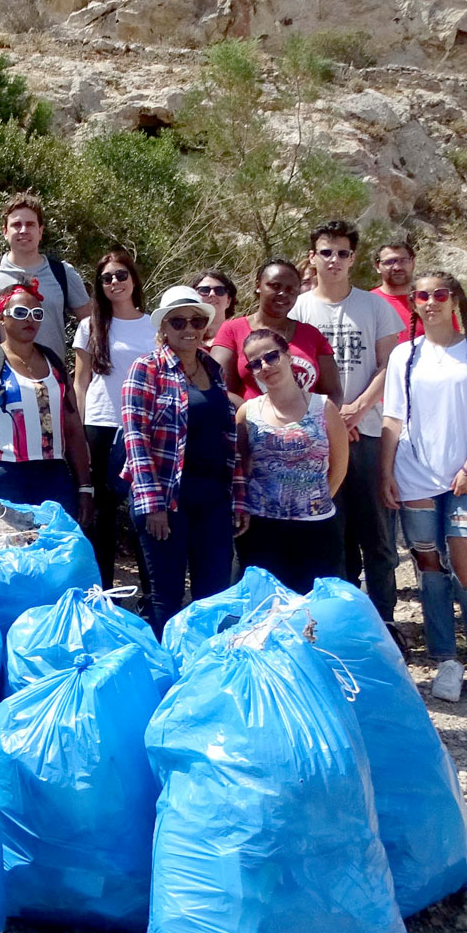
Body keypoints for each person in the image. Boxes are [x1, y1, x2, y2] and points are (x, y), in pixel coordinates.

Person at [381, 272, 467, 704]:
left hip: (466, 479)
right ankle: (446, 661)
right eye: (422, 295)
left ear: (454, 299)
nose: (431, 301)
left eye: (440, 294)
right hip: (415, 474)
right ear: (414, 303)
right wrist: (386, 472)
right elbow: (393, 420)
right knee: (429, 570)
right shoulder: (405, 355)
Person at [293, 219, 404, 622]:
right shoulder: (299, 308)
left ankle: (384, 620)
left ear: (353, 258)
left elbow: (390, 364)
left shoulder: (376, 306)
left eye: (342, 253)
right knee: (330, 532)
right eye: (326, 252)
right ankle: (339, 621)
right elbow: (295, 371)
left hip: (368, 431)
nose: (334, 260)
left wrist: (355, 409)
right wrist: (332, 416)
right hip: (317, 436)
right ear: (313, 257)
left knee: (377, 533)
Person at [121, 286, 247, 635]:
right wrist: (154, 506)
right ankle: (167, 673)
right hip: (166, 499)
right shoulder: (146, 369)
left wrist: (237, 498)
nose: (188, 328)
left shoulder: (213, 369)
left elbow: (228, 438)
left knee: (215, 594)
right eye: (178, 322)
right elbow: (136, 437)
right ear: (163, 329)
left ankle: (208, 672)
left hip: (213, 498)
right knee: (167, 596)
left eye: (195, 320)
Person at [0, 281, 92, 523]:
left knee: (56, 548)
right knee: (12, 551)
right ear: (2, 317)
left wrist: (84, 486)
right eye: (20, 313)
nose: (29, 319)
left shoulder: (54, 363)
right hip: (6, 474)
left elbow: (72, 429)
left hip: (53, 473)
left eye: (36, 313)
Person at [235, 328, 349, 593]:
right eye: (255, 363)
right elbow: (241, 469)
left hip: (317, 529)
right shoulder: (247, 412)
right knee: (265, 611)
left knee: (313, 616)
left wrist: (314, 504)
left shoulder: (324, 407)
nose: (265, 366)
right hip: (262, 530)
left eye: (271, 356)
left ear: (288, 356)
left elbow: (340, 464)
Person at [72, 250, 156, 588]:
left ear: (133, 279)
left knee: (145, 512)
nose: (115, 282)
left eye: (121, 275)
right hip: (101, 424)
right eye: (107, 278)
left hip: (144, 427)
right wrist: (77, 433)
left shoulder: (155, 325)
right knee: (102, 515)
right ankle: (102, 591)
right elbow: (81, 381)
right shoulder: (89, 326)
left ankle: (151, 595)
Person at [211, 259, 341, 401]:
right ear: (258, 285)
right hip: (250, 421)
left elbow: (333, 393)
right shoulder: (232, 330)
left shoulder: (312, 335)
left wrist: (312, 419)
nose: (283, 293)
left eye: (291, 289)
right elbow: (218, 389)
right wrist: (256, 416)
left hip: (307, 421)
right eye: (275, 286)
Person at [0, 192, 90, 360]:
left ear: (40, 231)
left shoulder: (63, 273)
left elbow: (91, 326)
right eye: (16, 225)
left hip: (52, 375)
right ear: (5, 232)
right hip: (2, 377)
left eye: (30, 224)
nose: (23, 230)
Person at [191, 269, 238, 342]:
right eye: (204, 290)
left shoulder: (239, 335)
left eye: (219, 290)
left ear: (228, 301)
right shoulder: (185, 336)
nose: (212, 294)